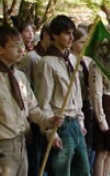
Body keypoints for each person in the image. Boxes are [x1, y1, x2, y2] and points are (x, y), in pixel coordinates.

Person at [0, 26, 62, 176]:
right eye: (14, 46)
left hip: (21, 143)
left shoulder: (19, 76)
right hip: (3, 146)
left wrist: (48, 120)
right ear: (1, 49)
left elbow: (32, 108)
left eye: (21, 45)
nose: (21, 50)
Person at [34, 15, 90, 176]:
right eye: (66, 33)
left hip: (75, 123)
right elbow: (44, 101)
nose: (71, 38)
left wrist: (80, 120)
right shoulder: (46, 63)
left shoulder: (72, 59)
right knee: (62, 171)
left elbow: (76, 93)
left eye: (72, 33)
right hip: (61, 124)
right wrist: (51, 132)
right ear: (54, 36)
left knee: (83, 170)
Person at [18, 22, 52, 176]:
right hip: (31, 122)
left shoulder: (53, 59)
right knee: (35, 163)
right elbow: (26, 93)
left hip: (46, 115)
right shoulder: (31, 58)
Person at [71, 27, 95, 174]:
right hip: (77, 105)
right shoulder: (70, 61)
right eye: (81, 42)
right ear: (72, 42)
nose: (84, 45)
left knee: (90, 143)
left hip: (89, 103)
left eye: (86, 42)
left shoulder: (87, 60)